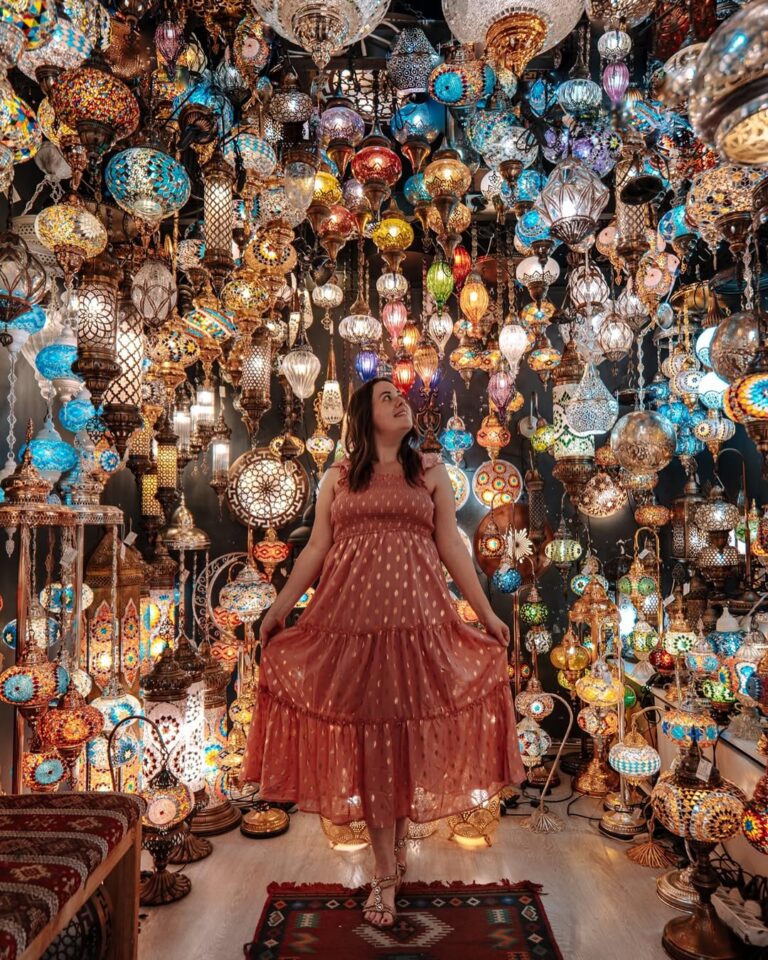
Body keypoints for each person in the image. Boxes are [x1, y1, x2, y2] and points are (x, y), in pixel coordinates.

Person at [242, 377, 525, 927]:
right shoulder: (338, 478)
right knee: (374, 740)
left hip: (419, 626)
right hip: (350, 625)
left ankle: (391, 856)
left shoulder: (431, 473)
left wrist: (487, 615)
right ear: (364, 416)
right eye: (386, 397)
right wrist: (279, 609)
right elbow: (318, 549)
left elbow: (450, 547)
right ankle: (384, 873)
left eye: (402, 396)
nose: (400, 400)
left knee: (400, 738)